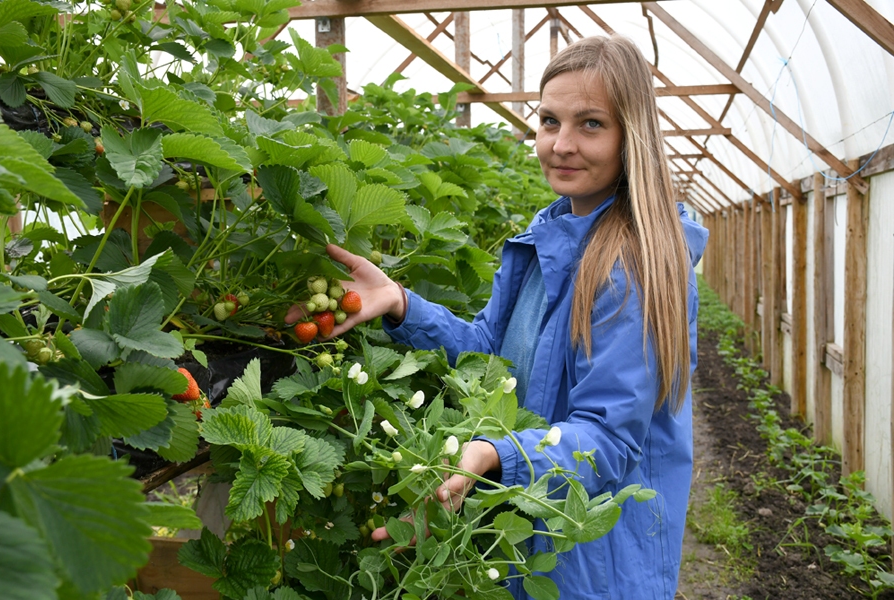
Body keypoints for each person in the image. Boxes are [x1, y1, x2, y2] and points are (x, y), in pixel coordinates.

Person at [287, 35, 709, 600]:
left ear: (630, 137)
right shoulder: (548, 237)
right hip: (524, 532)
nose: (560, 144)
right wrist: (402, 304)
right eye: (548, 121)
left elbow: (607, 438)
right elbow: (491, 352)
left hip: (592, 560)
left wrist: (497, 453)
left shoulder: (633, 264)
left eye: (590, 125)